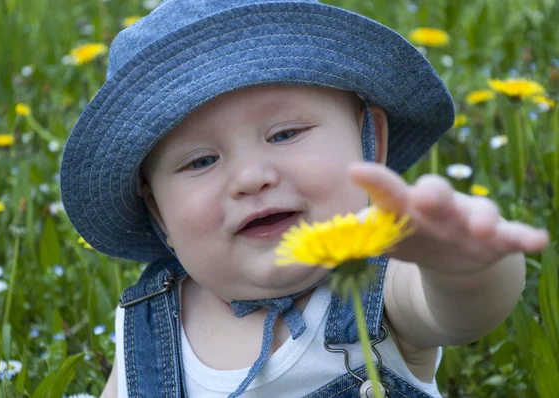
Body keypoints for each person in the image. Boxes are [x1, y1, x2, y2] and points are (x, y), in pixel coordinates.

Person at [59, 1, 550, 397]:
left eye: (285, 133)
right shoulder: (145, 327)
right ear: (157, 211)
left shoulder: (381, 281)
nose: (250, 177)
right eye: (200, 162)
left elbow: (462, 313)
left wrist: (462, 266)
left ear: (369, 143)